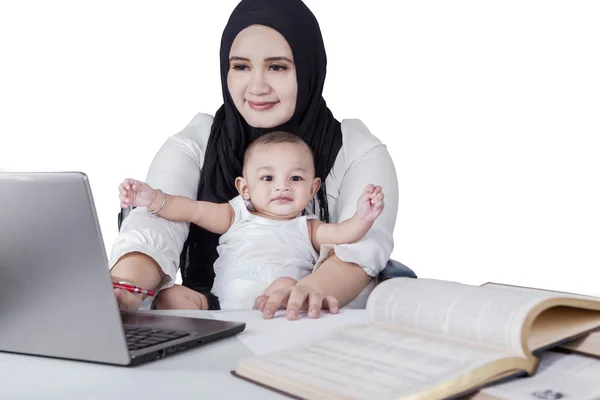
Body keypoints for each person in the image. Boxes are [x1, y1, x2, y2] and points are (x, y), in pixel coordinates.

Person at [109, 0, 399, 320]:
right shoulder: (198, 142)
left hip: (313, 328)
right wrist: (123, 288)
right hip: (214, 322)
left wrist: (303, 292)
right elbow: (156, 226)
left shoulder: (356, 151)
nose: (257, 87)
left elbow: (358, 249)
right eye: (241, 66)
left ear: (308, 67)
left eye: (277, 66)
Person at [117, 131, 385, 310]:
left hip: (276, 306)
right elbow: (192, 210)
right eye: (268, 178)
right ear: (244, 188)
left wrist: (363, 217)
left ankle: (271, 313)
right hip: (219, 307)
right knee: (171, 296)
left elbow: (344, 234)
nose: (282, 187)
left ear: (313, 188)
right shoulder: (235, 215)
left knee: (286, 286)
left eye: (295, 178)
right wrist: (153, 198)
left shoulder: (308, 227)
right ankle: (190, 341)